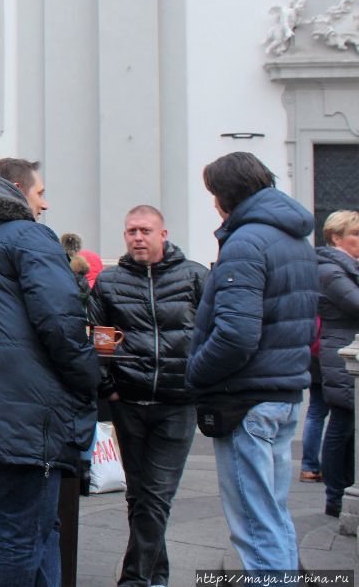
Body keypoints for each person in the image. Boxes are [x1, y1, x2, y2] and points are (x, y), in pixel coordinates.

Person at [0, 158, 98, 587]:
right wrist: (91, 377)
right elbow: (61, 321)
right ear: (15, 188)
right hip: (27, 405)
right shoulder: (28, 235)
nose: (44, 204)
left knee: (39, 528)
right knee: (21, 536)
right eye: (40, 192)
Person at [187, 152, 315, 575]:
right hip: (280, 393)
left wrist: (195, 372)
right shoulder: (292, 237)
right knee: (273, 518)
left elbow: (236, 335)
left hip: (248, 401)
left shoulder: (246, 241)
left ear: (226, 195)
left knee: (257, 531)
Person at [89, 205, 208, 587]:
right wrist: (109, 387)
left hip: (178, 402)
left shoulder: (194, 277)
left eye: (144, 230)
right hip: (130, 401)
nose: (137, 237)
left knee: (155, 496)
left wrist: (200, 381)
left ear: (163, 234)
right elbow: (97, 337)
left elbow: (212, 331)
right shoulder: (109, 282)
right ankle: (157, 576)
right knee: (140, 497)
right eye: (131, 231)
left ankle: (135, 579)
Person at [317, 210, 359, 518]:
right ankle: (335, 495)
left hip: (344, 348)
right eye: (355, 234)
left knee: (346, 425)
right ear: (336, 237)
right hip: (340, 352)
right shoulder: (330, 269)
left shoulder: (346, 267)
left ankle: (343, 489)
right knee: (341, 424)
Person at [300, 319, 328, 483]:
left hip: (315, 355)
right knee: (338, 415)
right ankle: (318, 466)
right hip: (331, 354)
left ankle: (309, 466)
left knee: (315, 412)